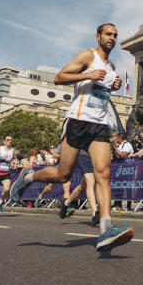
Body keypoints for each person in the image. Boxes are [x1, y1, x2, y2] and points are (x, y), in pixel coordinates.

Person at [14, 23, 134, 252]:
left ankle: (105, 230)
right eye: (108, 34)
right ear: (98, 36)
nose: (113, 38)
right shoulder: (87, 56)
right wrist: (88, 74)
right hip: (78, 122)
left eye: (115, 35)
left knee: (104, 174)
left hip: (99, 124)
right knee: (63, 175)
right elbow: (59, 77)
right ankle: (28, 178)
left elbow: (101, 91)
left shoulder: (112, 67)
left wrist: (114, 86)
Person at [59, 150, 99, 223]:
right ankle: (95, 213)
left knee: (82, 186)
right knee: (90, 180)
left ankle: (66, 203)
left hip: (96, 153)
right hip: (83, 152)